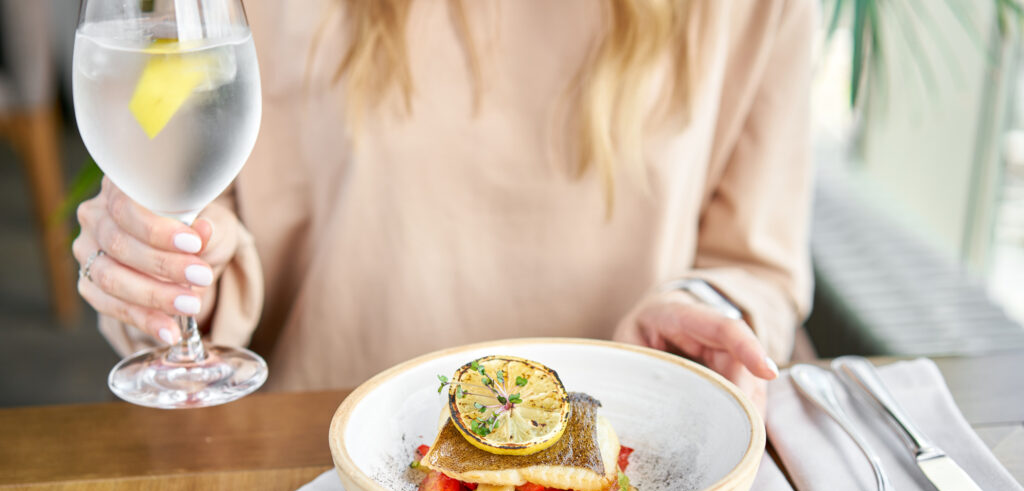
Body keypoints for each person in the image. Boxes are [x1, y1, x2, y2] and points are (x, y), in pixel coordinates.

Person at [73, 0, 815, 415]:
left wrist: (701, 311)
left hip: (623, 476)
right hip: (312, 477)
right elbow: (167, 174)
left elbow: (755, 264)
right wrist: (167, 265)